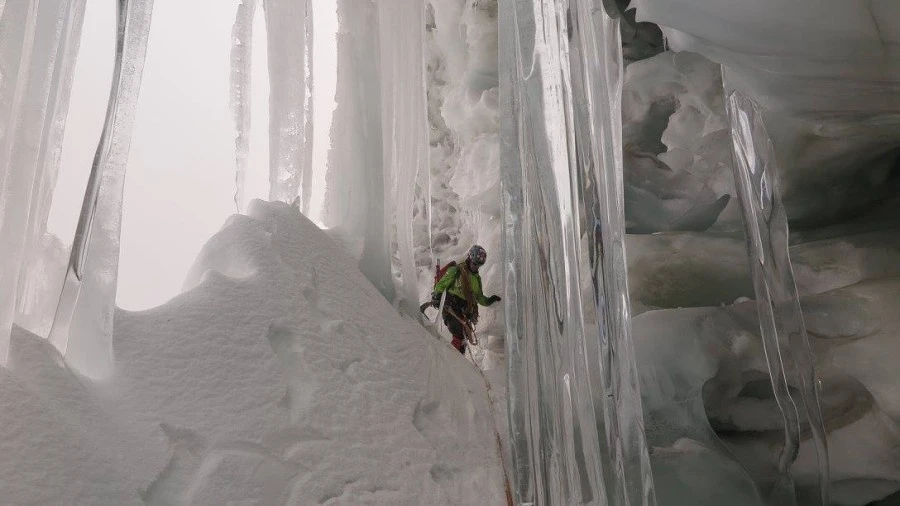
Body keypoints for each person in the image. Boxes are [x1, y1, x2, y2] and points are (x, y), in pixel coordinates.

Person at [431, 245, 501, 354]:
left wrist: (490, 300)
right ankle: (451, 358)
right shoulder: (456, 271)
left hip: (463, 312)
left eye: (478, 265)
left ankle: (458, 361)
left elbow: (479, 298)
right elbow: (440, 285)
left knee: (462, 338)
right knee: (458, 333)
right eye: (474, 264)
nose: (476, 267)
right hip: (450, 307)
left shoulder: (476, 279)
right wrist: (437, 296)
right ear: (469, 258)